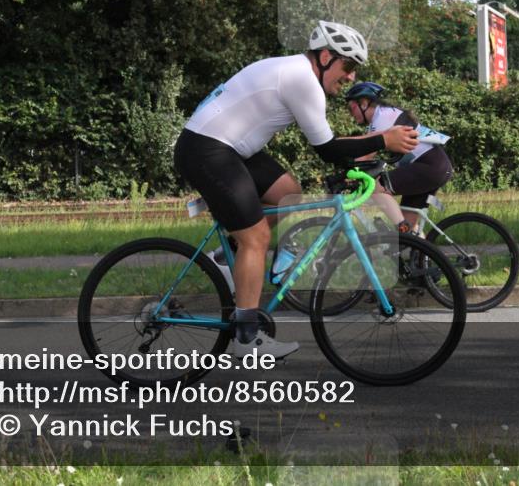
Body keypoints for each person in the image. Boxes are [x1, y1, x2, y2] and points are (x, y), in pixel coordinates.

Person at [173, 22, 419, 359]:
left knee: (288, 193)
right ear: (325, 56)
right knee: (256, 237)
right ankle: (246, 336)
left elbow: (331, 147)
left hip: (231, 148)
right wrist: (384, 139)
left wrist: (358, 163)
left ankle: (223, 261)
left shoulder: (296, 71)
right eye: (348, 66)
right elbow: (328, 148)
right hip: (208, 150)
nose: (350, 77)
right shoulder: (302, 79)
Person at [344, 81, 453, 234]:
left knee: (373, 186)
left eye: (351, 108)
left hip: (429, 167)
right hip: (432, 167)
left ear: (363, 103)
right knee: (409, 236)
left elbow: (364, 157)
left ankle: (403, 229)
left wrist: (344, 175)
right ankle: (422, 252)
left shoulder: (382, 117)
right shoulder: (385, 114)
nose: (350, 114)